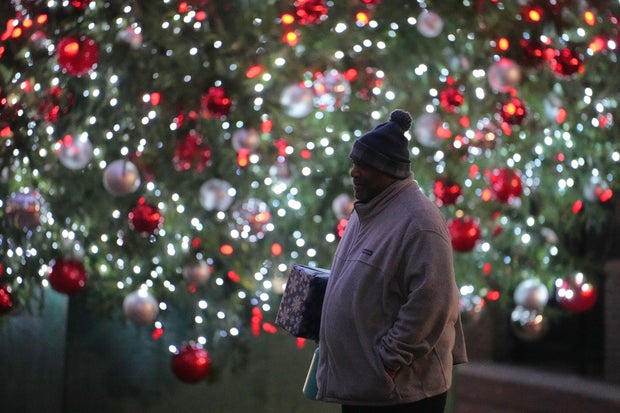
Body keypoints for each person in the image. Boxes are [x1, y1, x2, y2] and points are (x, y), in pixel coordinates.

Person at [315, 109, 468, 413]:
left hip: (400, 393)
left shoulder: (419, 221)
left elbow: (432, 303)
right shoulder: (368, 210)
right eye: (354, 164)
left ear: (389, 170)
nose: (354, 173)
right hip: (365, 385)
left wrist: (387, 362)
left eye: (364, 166)